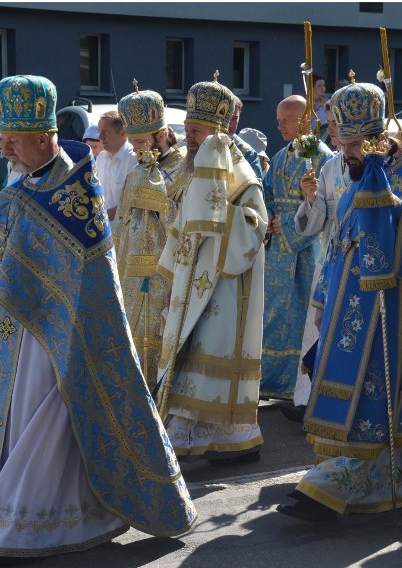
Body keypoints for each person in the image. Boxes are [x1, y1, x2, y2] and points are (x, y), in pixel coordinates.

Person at [0, 75, 196, 565]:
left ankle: (18, 529)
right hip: (18, 333)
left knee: (44, 425)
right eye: (1, 139)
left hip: (61, 339)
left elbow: (90, 284)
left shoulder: (78, 190)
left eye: (13, 139)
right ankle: (86, 516)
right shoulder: (23, 185)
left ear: (43, 137)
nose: (4, 148)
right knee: (33, 427)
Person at [276, 81, 402, 521]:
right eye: (341, 142)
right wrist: (321, 296)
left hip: (390, 313)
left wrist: (389, 207)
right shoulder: (356, 176)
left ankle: (339, 481)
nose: (346, 152)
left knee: (373, 398)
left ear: (376, 137)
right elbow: (339, 239)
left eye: (354, 144)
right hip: (345, 308)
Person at [155, 78, 268, 464]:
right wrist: (172, 280)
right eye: (187, 130)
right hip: (191, 282)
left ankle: (187, 436)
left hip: (224, 286)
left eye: (196, 131)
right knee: (190, 354)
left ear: (219, 131)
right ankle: (233, 439)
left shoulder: (241, 175)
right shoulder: (196, 170)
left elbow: (256, 229)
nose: (189, 138)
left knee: (207, 355)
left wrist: (222, 213)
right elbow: (181, 227)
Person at [260, 95, 333, 400]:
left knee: (301, 317)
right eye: (278, 119)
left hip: (308, 252)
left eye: (284, 120)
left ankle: (297, 386)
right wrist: (268, 219)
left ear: (304, 121)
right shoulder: (279, 157)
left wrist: (287, 226)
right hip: (277, 253)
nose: (278, 126)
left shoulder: (324, 158)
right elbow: (265, 194)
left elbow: (325, 207)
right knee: (273, 315)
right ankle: (272, 381)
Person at [284, 98, 350, 423]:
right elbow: (315, 223)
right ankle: (310, 399)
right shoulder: (329, 166)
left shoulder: (371, 163)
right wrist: (311, 198)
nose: (331, 129)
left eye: (336, 122)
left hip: (355, 260)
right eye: (331, 122)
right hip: (328, 258)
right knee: (317, 328)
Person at [112, 88, 173, 388]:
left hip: (161, 273)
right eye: (133, 141)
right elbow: (123, 220)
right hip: (129, 272)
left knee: (156, 341)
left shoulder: (181, 168)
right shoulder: (138, 169)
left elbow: (178, 222)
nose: (136, 148)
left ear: (161, 134)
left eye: (140, 141)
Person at [97, 110, 136, 221]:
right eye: (99, 131)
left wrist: (101, 216)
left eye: (105, 132)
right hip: (104, 230)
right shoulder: (100, 157)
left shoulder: (133, 159)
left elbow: (132, 204)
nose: (100, 137)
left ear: (123, 133)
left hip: (125, 232)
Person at [228, 95, 264, 177]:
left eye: (234, 118)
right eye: (226, 118)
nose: (230, 124)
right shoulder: (198, 143)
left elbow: (255, 187)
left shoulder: (248, 154)